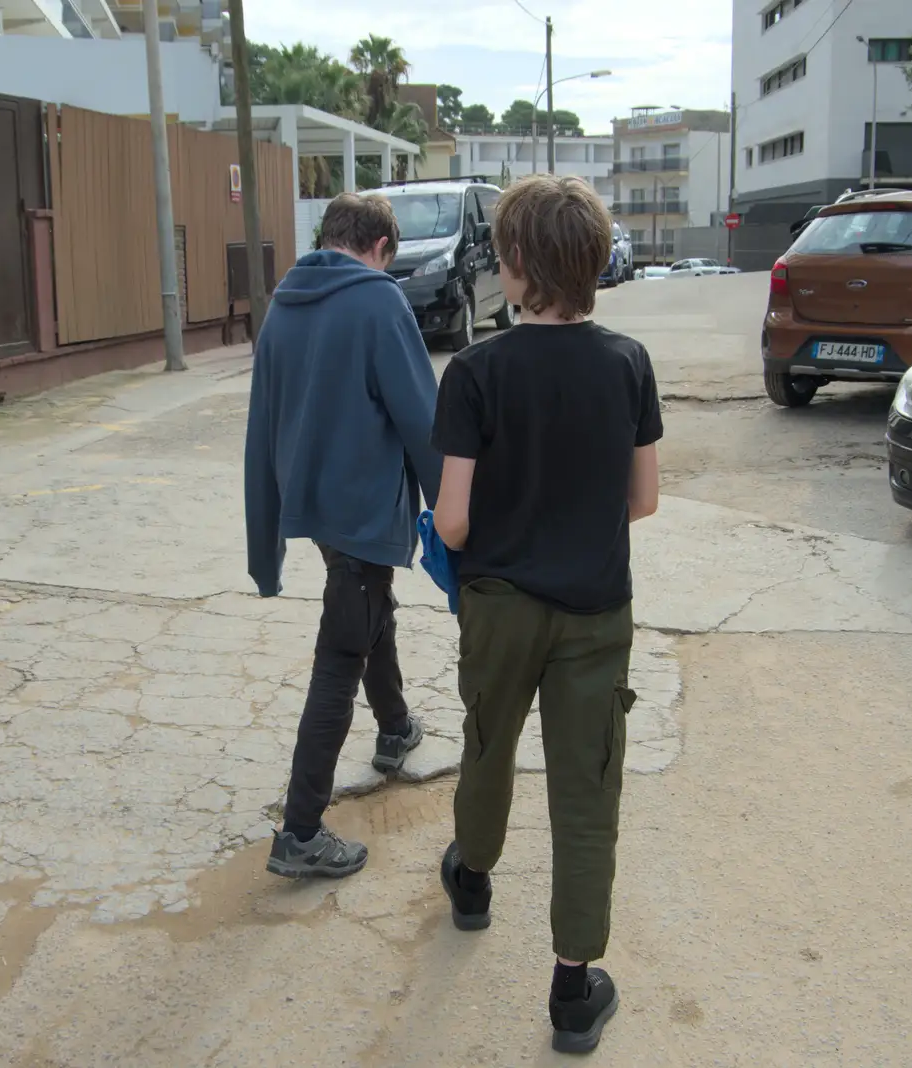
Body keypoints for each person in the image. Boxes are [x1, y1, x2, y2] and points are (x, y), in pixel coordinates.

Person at [428, 174, 663, 1054]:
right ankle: (573, 991)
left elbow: (452, 519)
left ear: (517, 265)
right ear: (595, 260)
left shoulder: (477, 372)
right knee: (586, 787)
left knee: (489, 743)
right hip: (596, 610)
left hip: (499, 605)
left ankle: (474, 883)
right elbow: (642, 501)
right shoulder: (627, 363)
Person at [244, 193, 441, 880]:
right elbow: (424, 420)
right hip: (362, 508)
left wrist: (263, 525)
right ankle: (300, 832)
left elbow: (261, 420)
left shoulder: (284, 304)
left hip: (314, 505)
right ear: (382, 248)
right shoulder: (379, 302)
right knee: (340, 654)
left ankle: (395, 728)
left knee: (366, 610)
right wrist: (455, 513)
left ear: (326, 238)